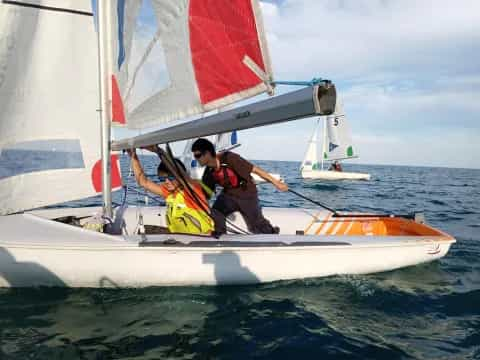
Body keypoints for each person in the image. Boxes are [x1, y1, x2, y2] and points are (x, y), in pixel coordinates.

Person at [191, 138, 288, 237]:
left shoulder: (229, 158)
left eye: (197, 155)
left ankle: (272, 234)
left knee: (256, 225)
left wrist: (276, 183)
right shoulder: (209, 173)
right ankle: (221, 236)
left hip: (247, 194)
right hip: (229, 195)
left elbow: (255, 169)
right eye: (194, 156)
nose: (196, 159)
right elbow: (205, 195)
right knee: (216, 211)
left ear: (207, 153)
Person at [127, 148, 214, 235]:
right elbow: (143, 182)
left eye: (171, 178)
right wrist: (133, 156)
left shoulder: (193, 190)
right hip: (179, 237)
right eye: (163, 179)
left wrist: (157, 150)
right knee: (144, 231)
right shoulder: (169, 193)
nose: (167, 182)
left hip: (201, 239)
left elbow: (178, 172)